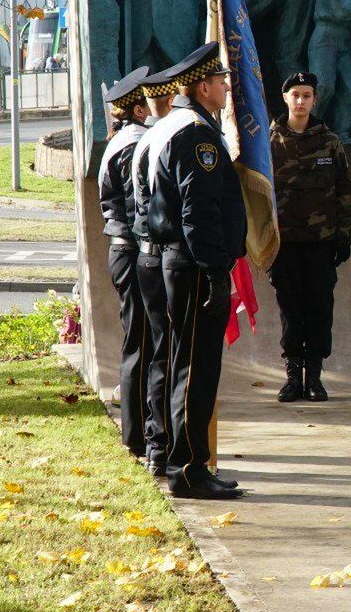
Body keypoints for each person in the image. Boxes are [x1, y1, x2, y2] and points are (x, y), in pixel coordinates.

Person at [143, 42, 247, 500]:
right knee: (194, 367)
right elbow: (198, 212)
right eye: (221, 80)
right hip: (195, 267)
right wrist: (214, 269)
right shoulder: (196, 136)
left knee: (187, 363)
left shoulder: (182, 126)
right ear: (203, 86)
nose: (227, 86)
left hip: (182, 263)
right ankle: (189, 469)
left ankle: (182, 460)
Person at [269, 71, 351, 403]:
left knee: (319, 308)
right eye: (296, 95)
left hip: (321, 243)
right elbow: (261, 199)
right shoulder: (271, 142)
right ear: (286, 98)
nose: (301, 101)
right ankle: (293, 377)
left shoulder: (329, 142)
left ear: (315, 100)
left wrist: (343, 237)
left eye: (307, 95)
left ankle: (315, 378)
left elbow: (344, 193)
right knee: (290, 310)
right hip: (285, 245)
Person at [128, 59, 189, 477]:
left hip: (148, 252)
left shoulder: (148, 139)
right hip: (162, 253)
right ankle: (160, 443)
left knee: (161, 352)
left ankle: (156, 441)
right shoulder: (165, 139)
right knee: (168, 353)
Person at [98, 67, 152, 461]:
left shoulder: (122, 140)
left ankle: (138, 433)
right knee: (142, 341)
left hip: (123, 249)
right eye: (149, 102)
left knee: (139, 338)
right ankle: (138, 434)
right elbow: (141, 207)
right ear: (135, 109)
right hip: (134, 250)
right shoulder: (135, 144)